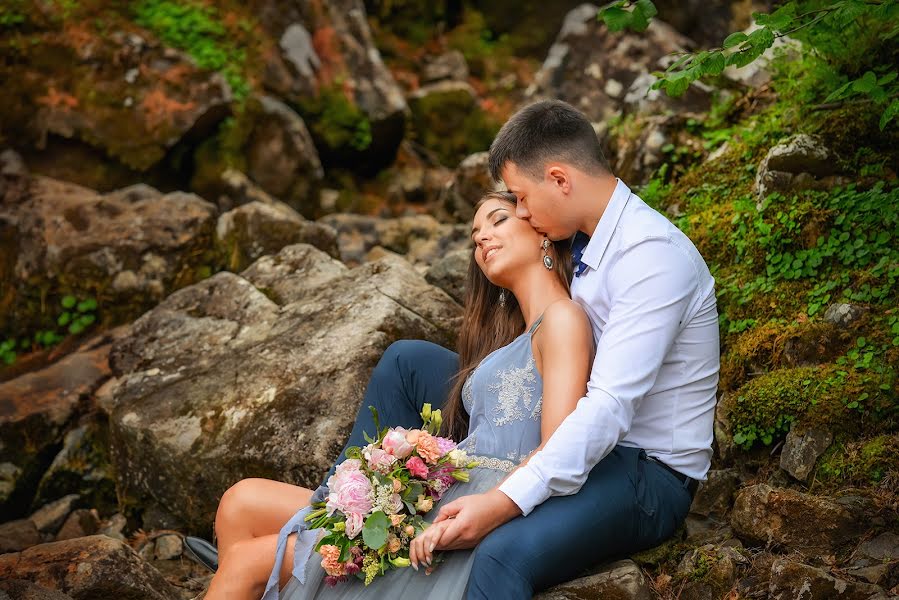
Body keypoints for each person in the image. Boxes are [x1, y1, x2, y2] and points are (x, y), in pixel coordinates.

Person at [190, 98, 720, 599]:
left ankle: (301, 555)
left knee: (502, 552)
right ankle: (342, 509)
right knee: (409, 361)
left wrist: (497, 503)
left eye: (520, 200)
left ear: (559, 179)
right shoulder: (582, 242)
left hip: (641, 468)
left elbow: (605, 410)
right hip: (559, 431)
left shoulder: (651, 257)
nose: (523, 212)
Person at [201, 190, 595, 599]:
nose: (481, 237)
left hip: (479, 503)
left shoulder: (563, 318)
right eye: (475, 233)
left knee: (246, 561)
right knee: (240, 502)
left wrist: (487, 505)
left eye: (498, 220)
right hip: (448, 489)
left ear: (543, 234)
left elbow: (557, 448)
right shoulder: (510, 342)